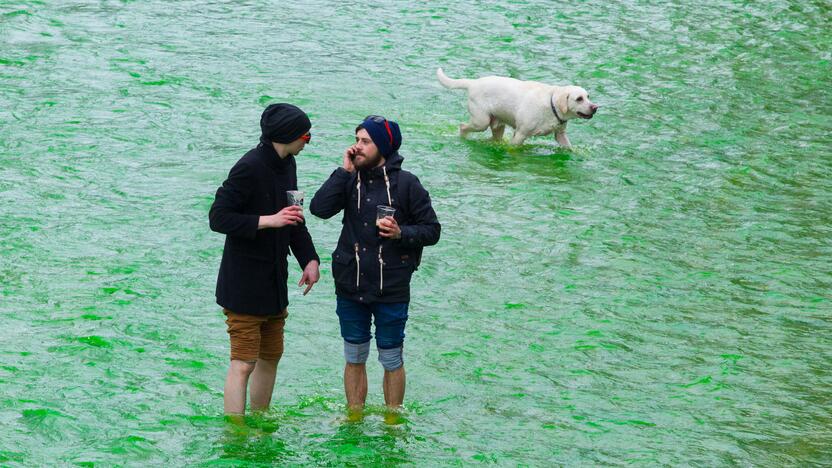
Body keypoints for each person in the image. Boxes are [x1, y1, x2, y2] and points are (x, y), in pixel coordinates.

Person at [310, 115, 440, 419]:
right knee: (354, 355)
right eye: (356, 140)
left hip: (391, 285)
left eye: (365, 141)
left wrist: (400, 233)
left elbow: (432, 230)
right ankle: (354, 416)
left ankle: (393, 419)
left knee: (391, 357)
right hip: (350, 282)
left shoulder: (408, 184)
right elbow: (319, 209)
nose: (357, 147)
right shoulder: (349, 179)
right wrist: (344, 171)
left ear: (383, 145)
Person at [209, 103, 320, 416]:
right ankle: (235, 433)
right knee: (243, 362)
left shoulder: (288, 164)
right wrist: (267, 221)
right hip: (243, 285)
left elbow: (294, 218)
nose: (308, 141)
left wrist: (309, 260)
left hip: (273, 284)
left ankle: (260, 420)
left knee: (271, 356)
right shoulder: (249, 166)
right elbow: (218, 217)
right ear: (287, 136)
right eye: (305, 135)